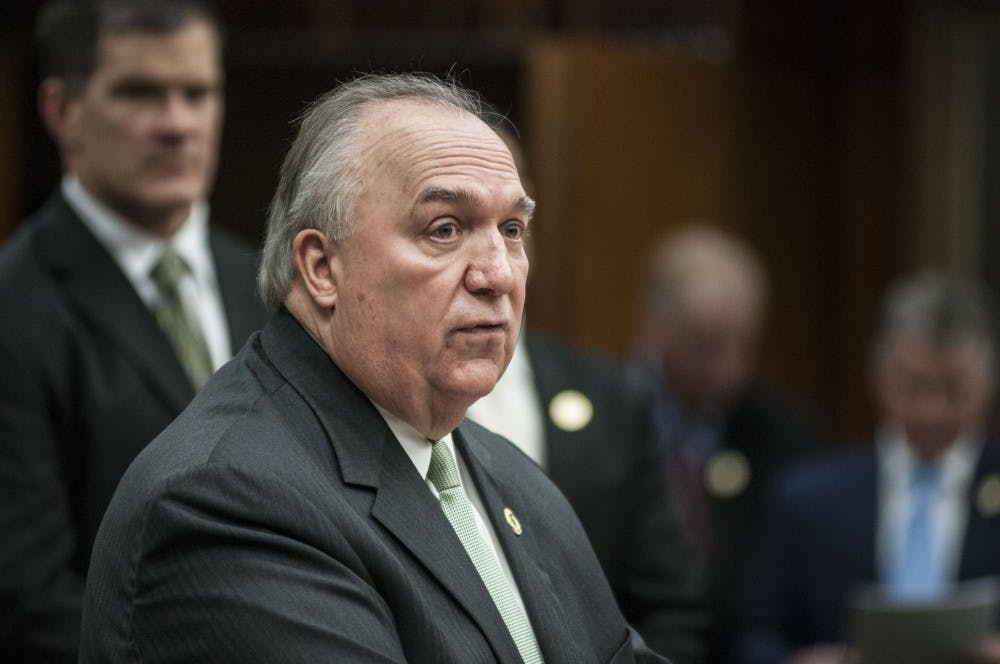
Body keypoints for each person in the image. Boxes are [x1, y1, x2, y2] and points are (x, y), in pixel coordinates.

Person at [80, 73, 669, 663]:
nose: (498, 275)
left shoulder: (508, 475)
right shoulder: (227, 502)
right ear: (321, 266)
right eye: (445, 230)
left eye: (512, 230)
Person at [0, 1, 267, 659]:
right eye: (140, 94)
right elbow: (27, 599)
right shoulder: (15, 307)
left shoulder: (276, 286)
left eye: (197, 93)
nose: (177, 124)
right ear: (62, 111)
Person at [467, 131, 709, 662]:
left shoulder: (614, 397)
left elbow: (670, 604)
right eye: (454, 223)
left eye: (511, 222)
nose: (492, 253)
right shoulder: (384, 395)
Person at [729, 273, 1000, 664]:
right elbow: (750, 637)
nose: (931, 410)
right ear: (880, 378)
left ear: (986, 386)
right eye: (913, 386)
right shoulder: (806, 501)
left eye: (954, 389)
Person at [630, 224, 827, 651]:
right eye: (706, 346)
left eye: (744, 345)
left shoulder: (785, 435)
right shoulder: (606, 418)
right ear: (656, 326)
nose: (728, 368)